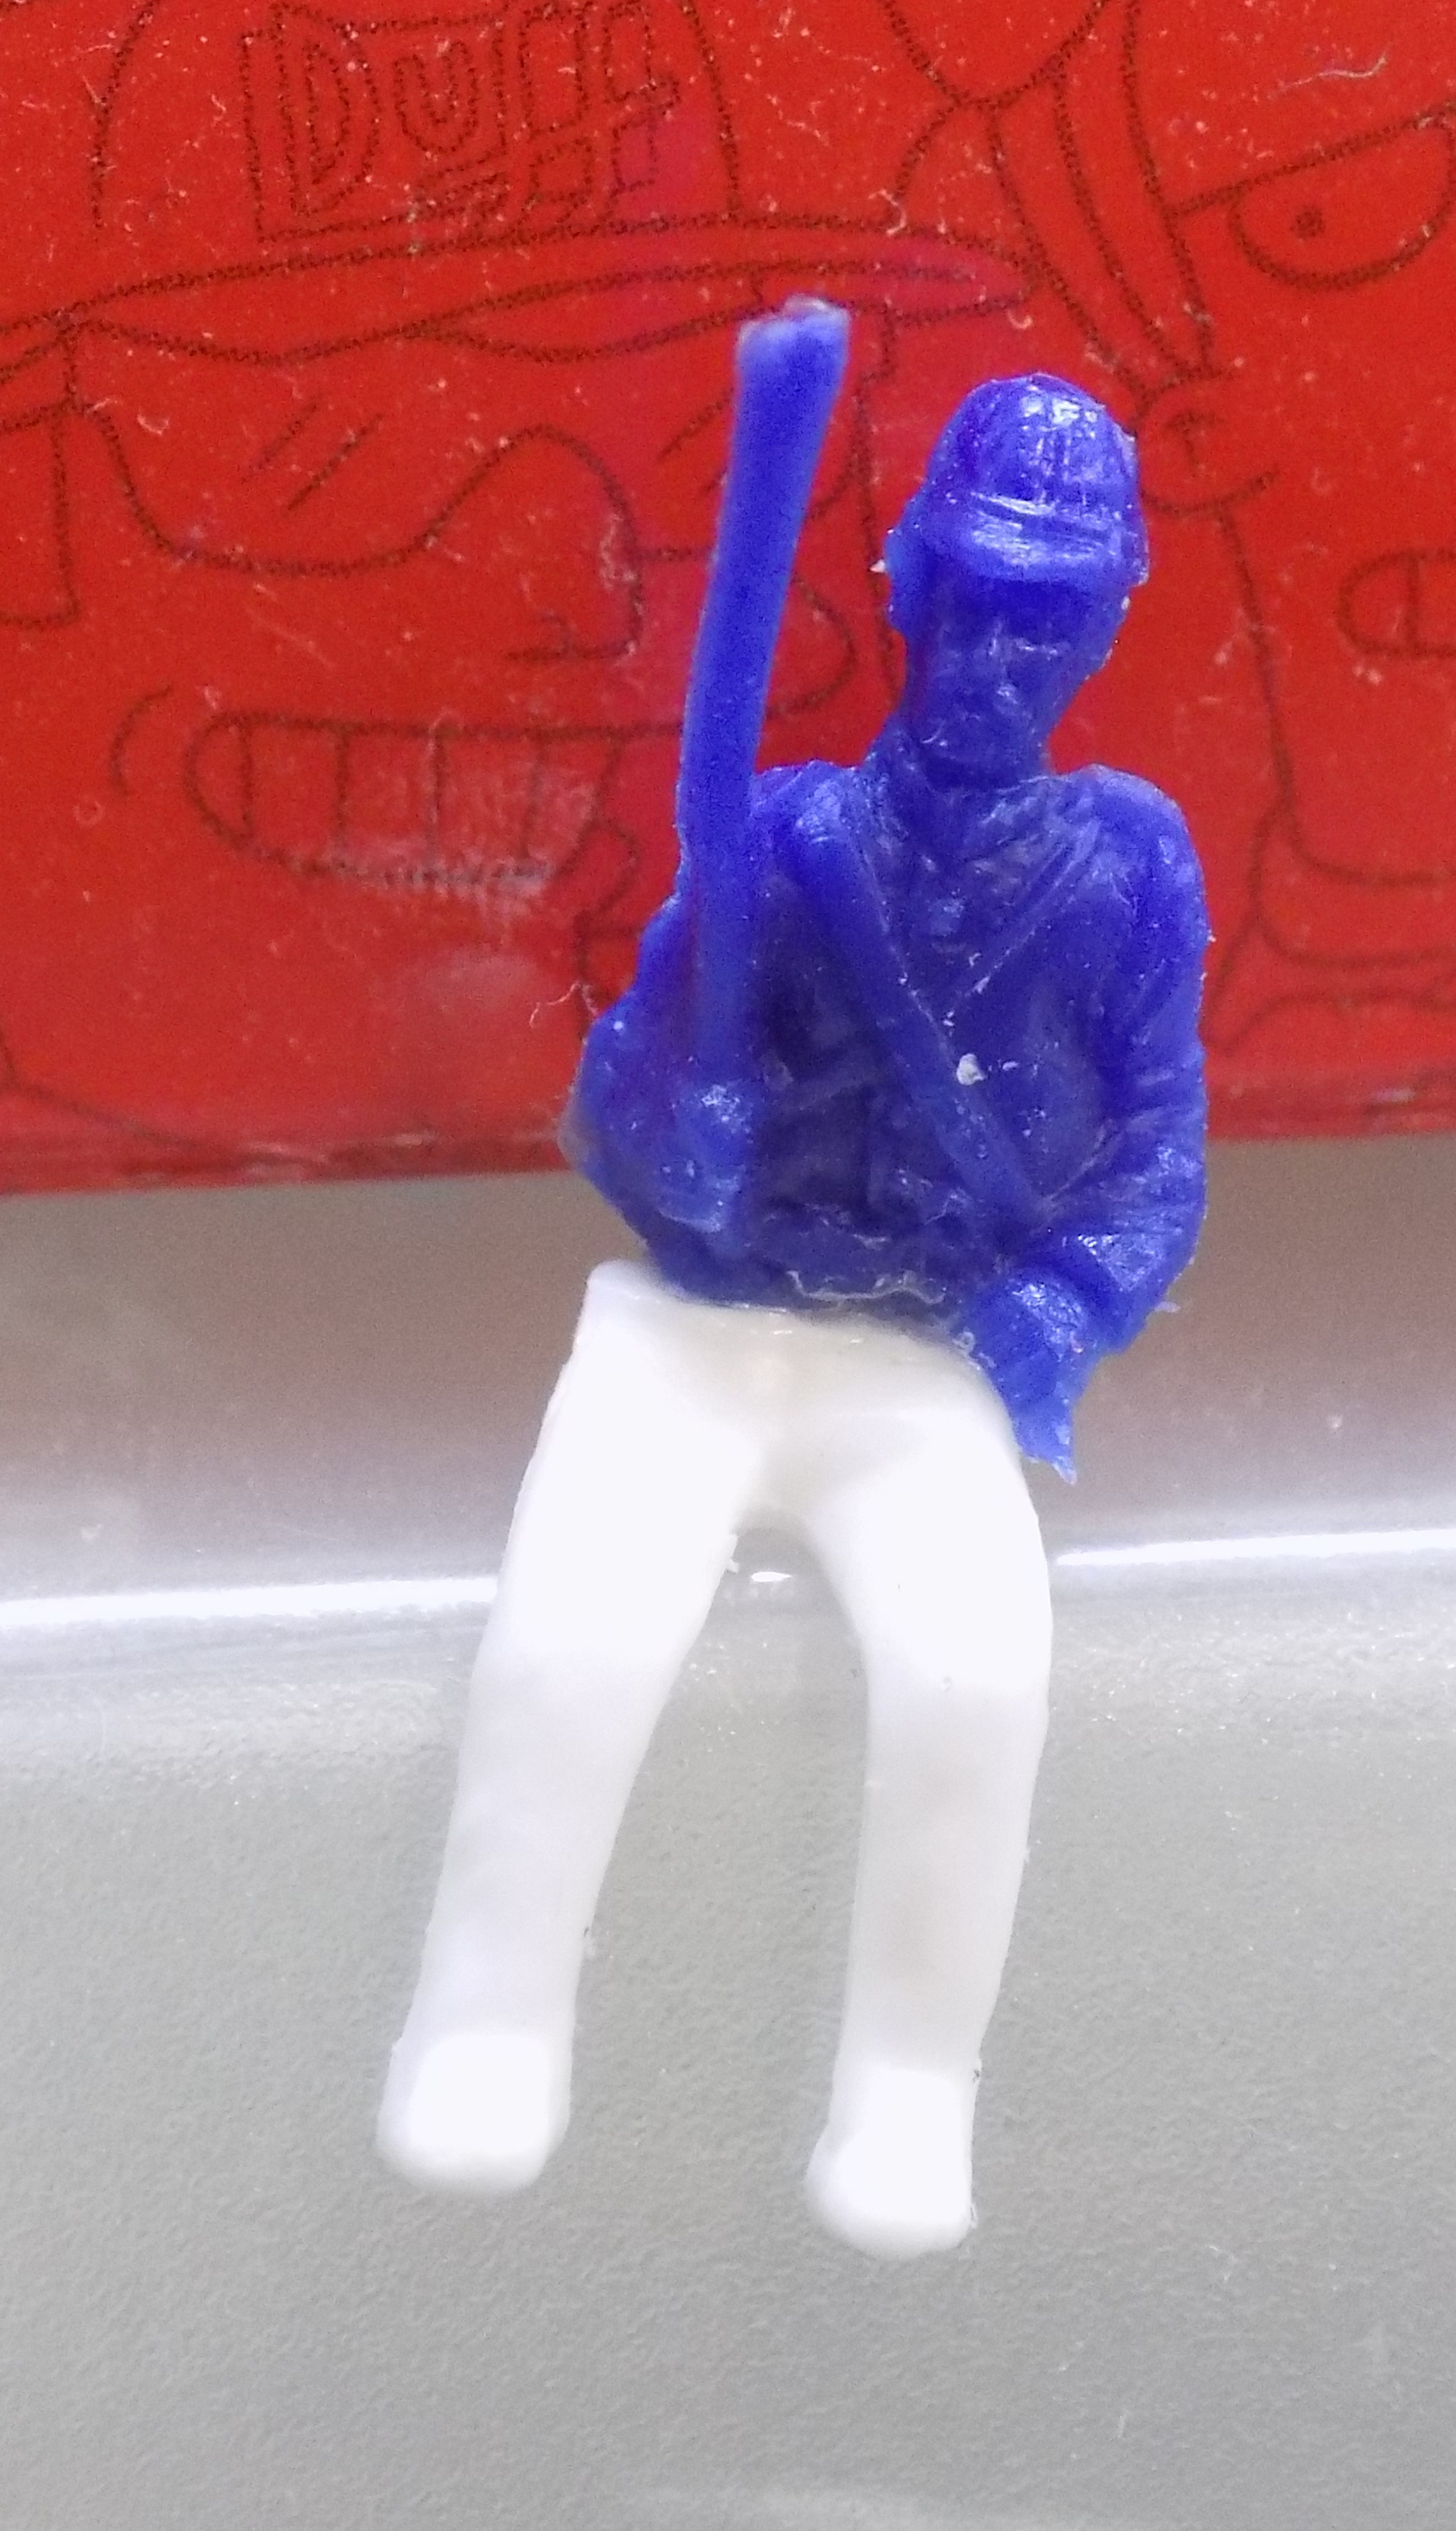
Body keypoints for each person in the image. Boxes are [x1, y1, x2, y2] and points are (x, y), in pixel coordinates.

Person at [380, 316, 1208, 2258]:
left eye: (1048, 621)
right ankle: (485, 2017)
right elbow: (627, 1083)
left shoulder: (1128, 871)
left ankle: (911, 2088)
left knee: (977, 1675)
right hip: (698, 1332)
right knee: (569, 1643)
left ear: (1101, 633)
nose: (1001, 658)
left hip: (922, 1352)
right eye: (977, 606)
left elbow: (1157, 1153)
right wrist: (681, 1132)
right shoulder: (783, 838)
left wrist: (1051, 1314)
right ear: (910, 591)